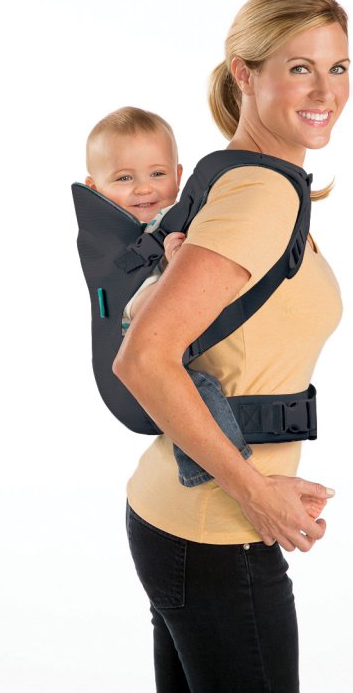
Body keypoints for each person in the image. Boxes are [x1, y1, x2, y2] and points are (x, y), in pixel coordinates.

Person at [113, 0, 349, 692]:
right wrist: (257, 492)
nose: (325, 91)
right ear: (245, 73)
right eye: (299, 67)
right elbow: (143, 358)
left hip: (183, 519)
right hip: (219, 531)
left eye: (338, 67)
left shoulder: (245, 181)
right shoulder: (260, 196)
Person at [83, 106, 253, 488]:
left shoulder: (178, 217)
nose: (144, 188)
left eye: (157, 174)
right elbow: (141, 305)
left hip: (170, 325)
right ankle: (214, 471)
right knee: (197, 390)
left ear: (178, 176)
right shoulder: (116, 241)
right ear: (95, 189)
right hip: (135, 318)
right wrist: (178, 268)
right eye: (124, 178)